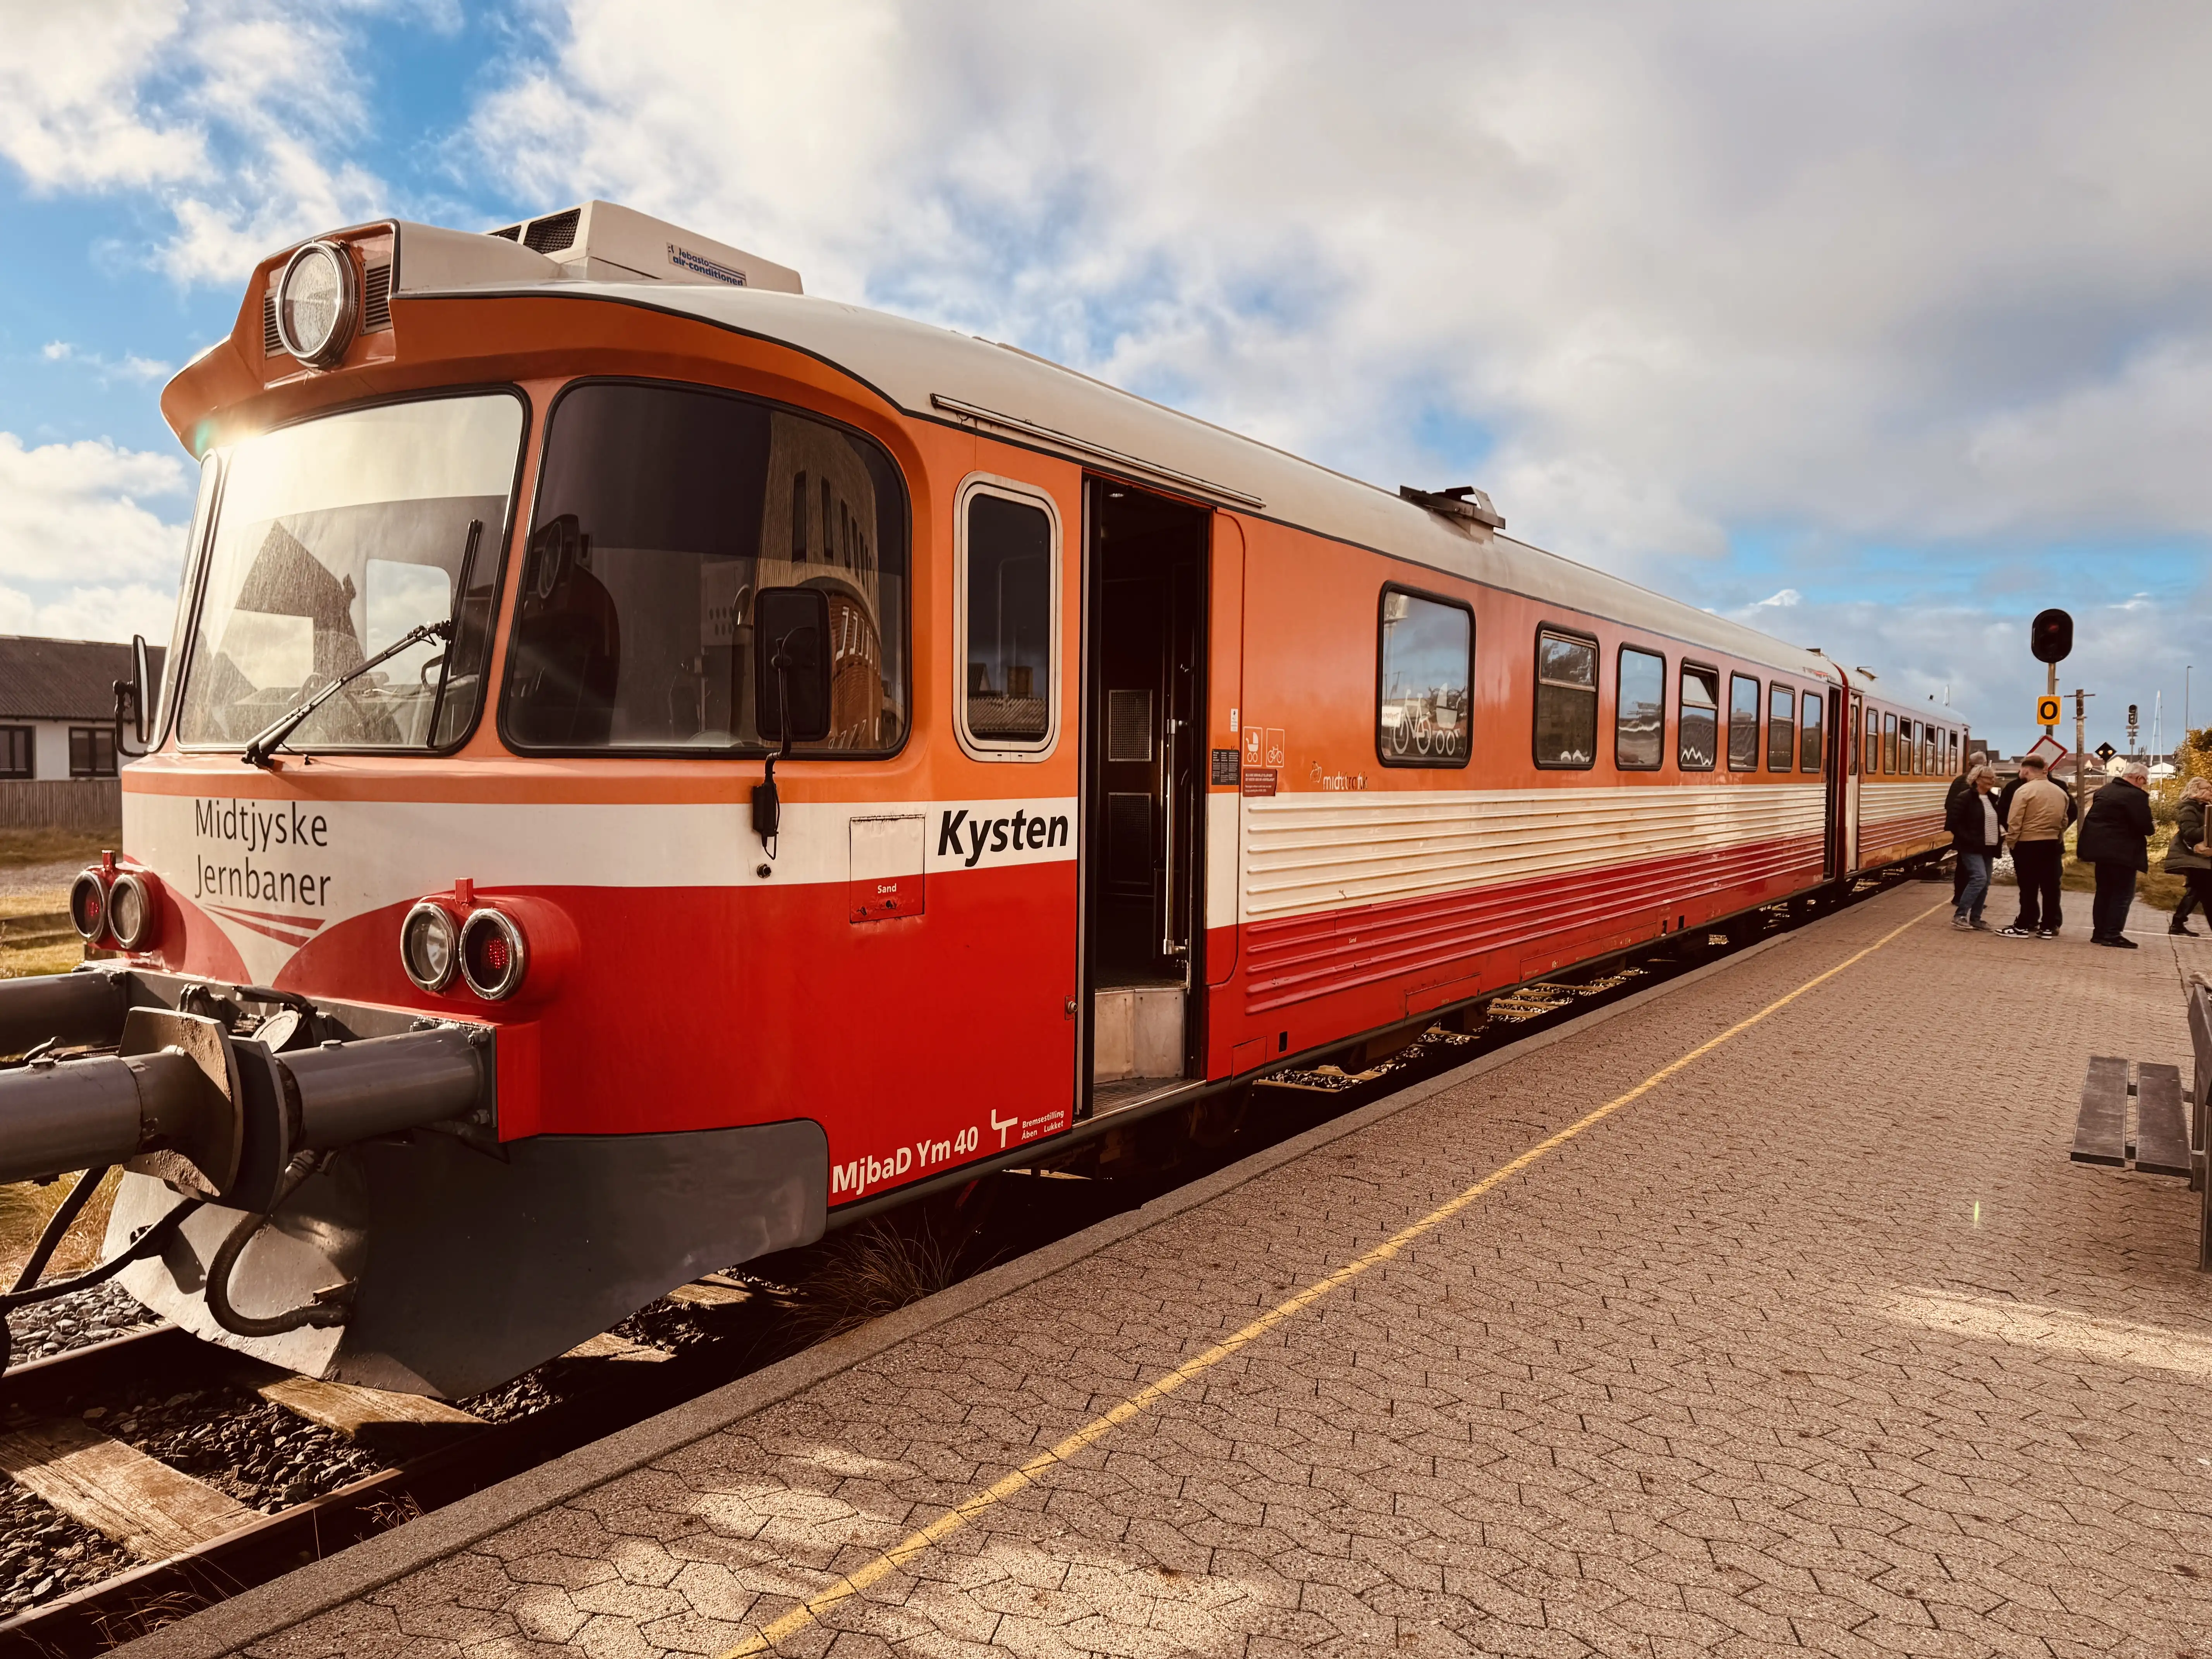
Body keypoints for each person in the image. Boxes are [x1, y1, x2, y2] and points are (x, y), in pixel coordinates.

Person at [2078, 760, 2156, 948]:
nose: (2144, 785)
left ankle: (2099, 933)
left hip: (2101, 851)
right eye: (2144, 781)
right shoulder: (2135, 796)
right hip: (2123, 852)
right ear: (2138, 778)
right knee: (2123, 894)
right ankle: (2112, 934)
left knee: (2104, 891)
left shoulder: (2105, 791)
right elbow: (2145, 826)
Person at [1997, 755, 2074, 939]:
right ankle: (2048, 927)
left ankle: (2023, 926)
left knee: (2028, 887)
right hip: (2052, 844)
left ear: (2026, 770)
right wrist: (2057, 835)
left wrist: (2012, 842)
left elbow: (2015, 821)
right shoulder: (2060, 791)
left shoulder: (2024, 791)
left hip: (2028, 845)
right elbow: (2064, 820)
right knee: (2051, 888)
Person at [1944, 763, 2003, 930]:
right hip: (1971, 847)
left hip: (1989, 846)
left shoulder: (1992, 799)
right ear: (1977, 780)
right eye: (1988, 778)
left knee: (1985, 883)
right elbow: (1953, 823)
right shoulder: (1965, 797)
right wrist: (1969, 839)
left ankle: (1976, 918)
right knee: (1979, 878)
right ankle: (1960, 915)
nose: (1992, 781)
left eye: (1993, 778)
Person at [2164, 776, 2212, 938]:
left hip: (2201, 856)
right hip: (2190, 854)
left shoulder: (2206, 808)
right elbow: (2190, 833)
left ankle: (2178, 923)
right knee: (2206, 890)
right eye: (2207, 788)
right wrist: (2209, 827)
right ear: (2195, 791)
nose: (2211, 791)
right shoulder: (2188, 809)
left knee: (2198, 889)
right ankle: (2178, 923)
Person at [1948, 750, 1989, 905]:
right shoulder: (1977, 785)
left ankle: (1960, 896)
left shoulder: (1958, 781)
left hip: (1962, 832)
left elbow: (1948, 806)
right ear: (1983, 764)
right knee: (1974, 870)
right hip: (1971, 833)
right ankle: (1966, 900)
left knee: (1963, 866)